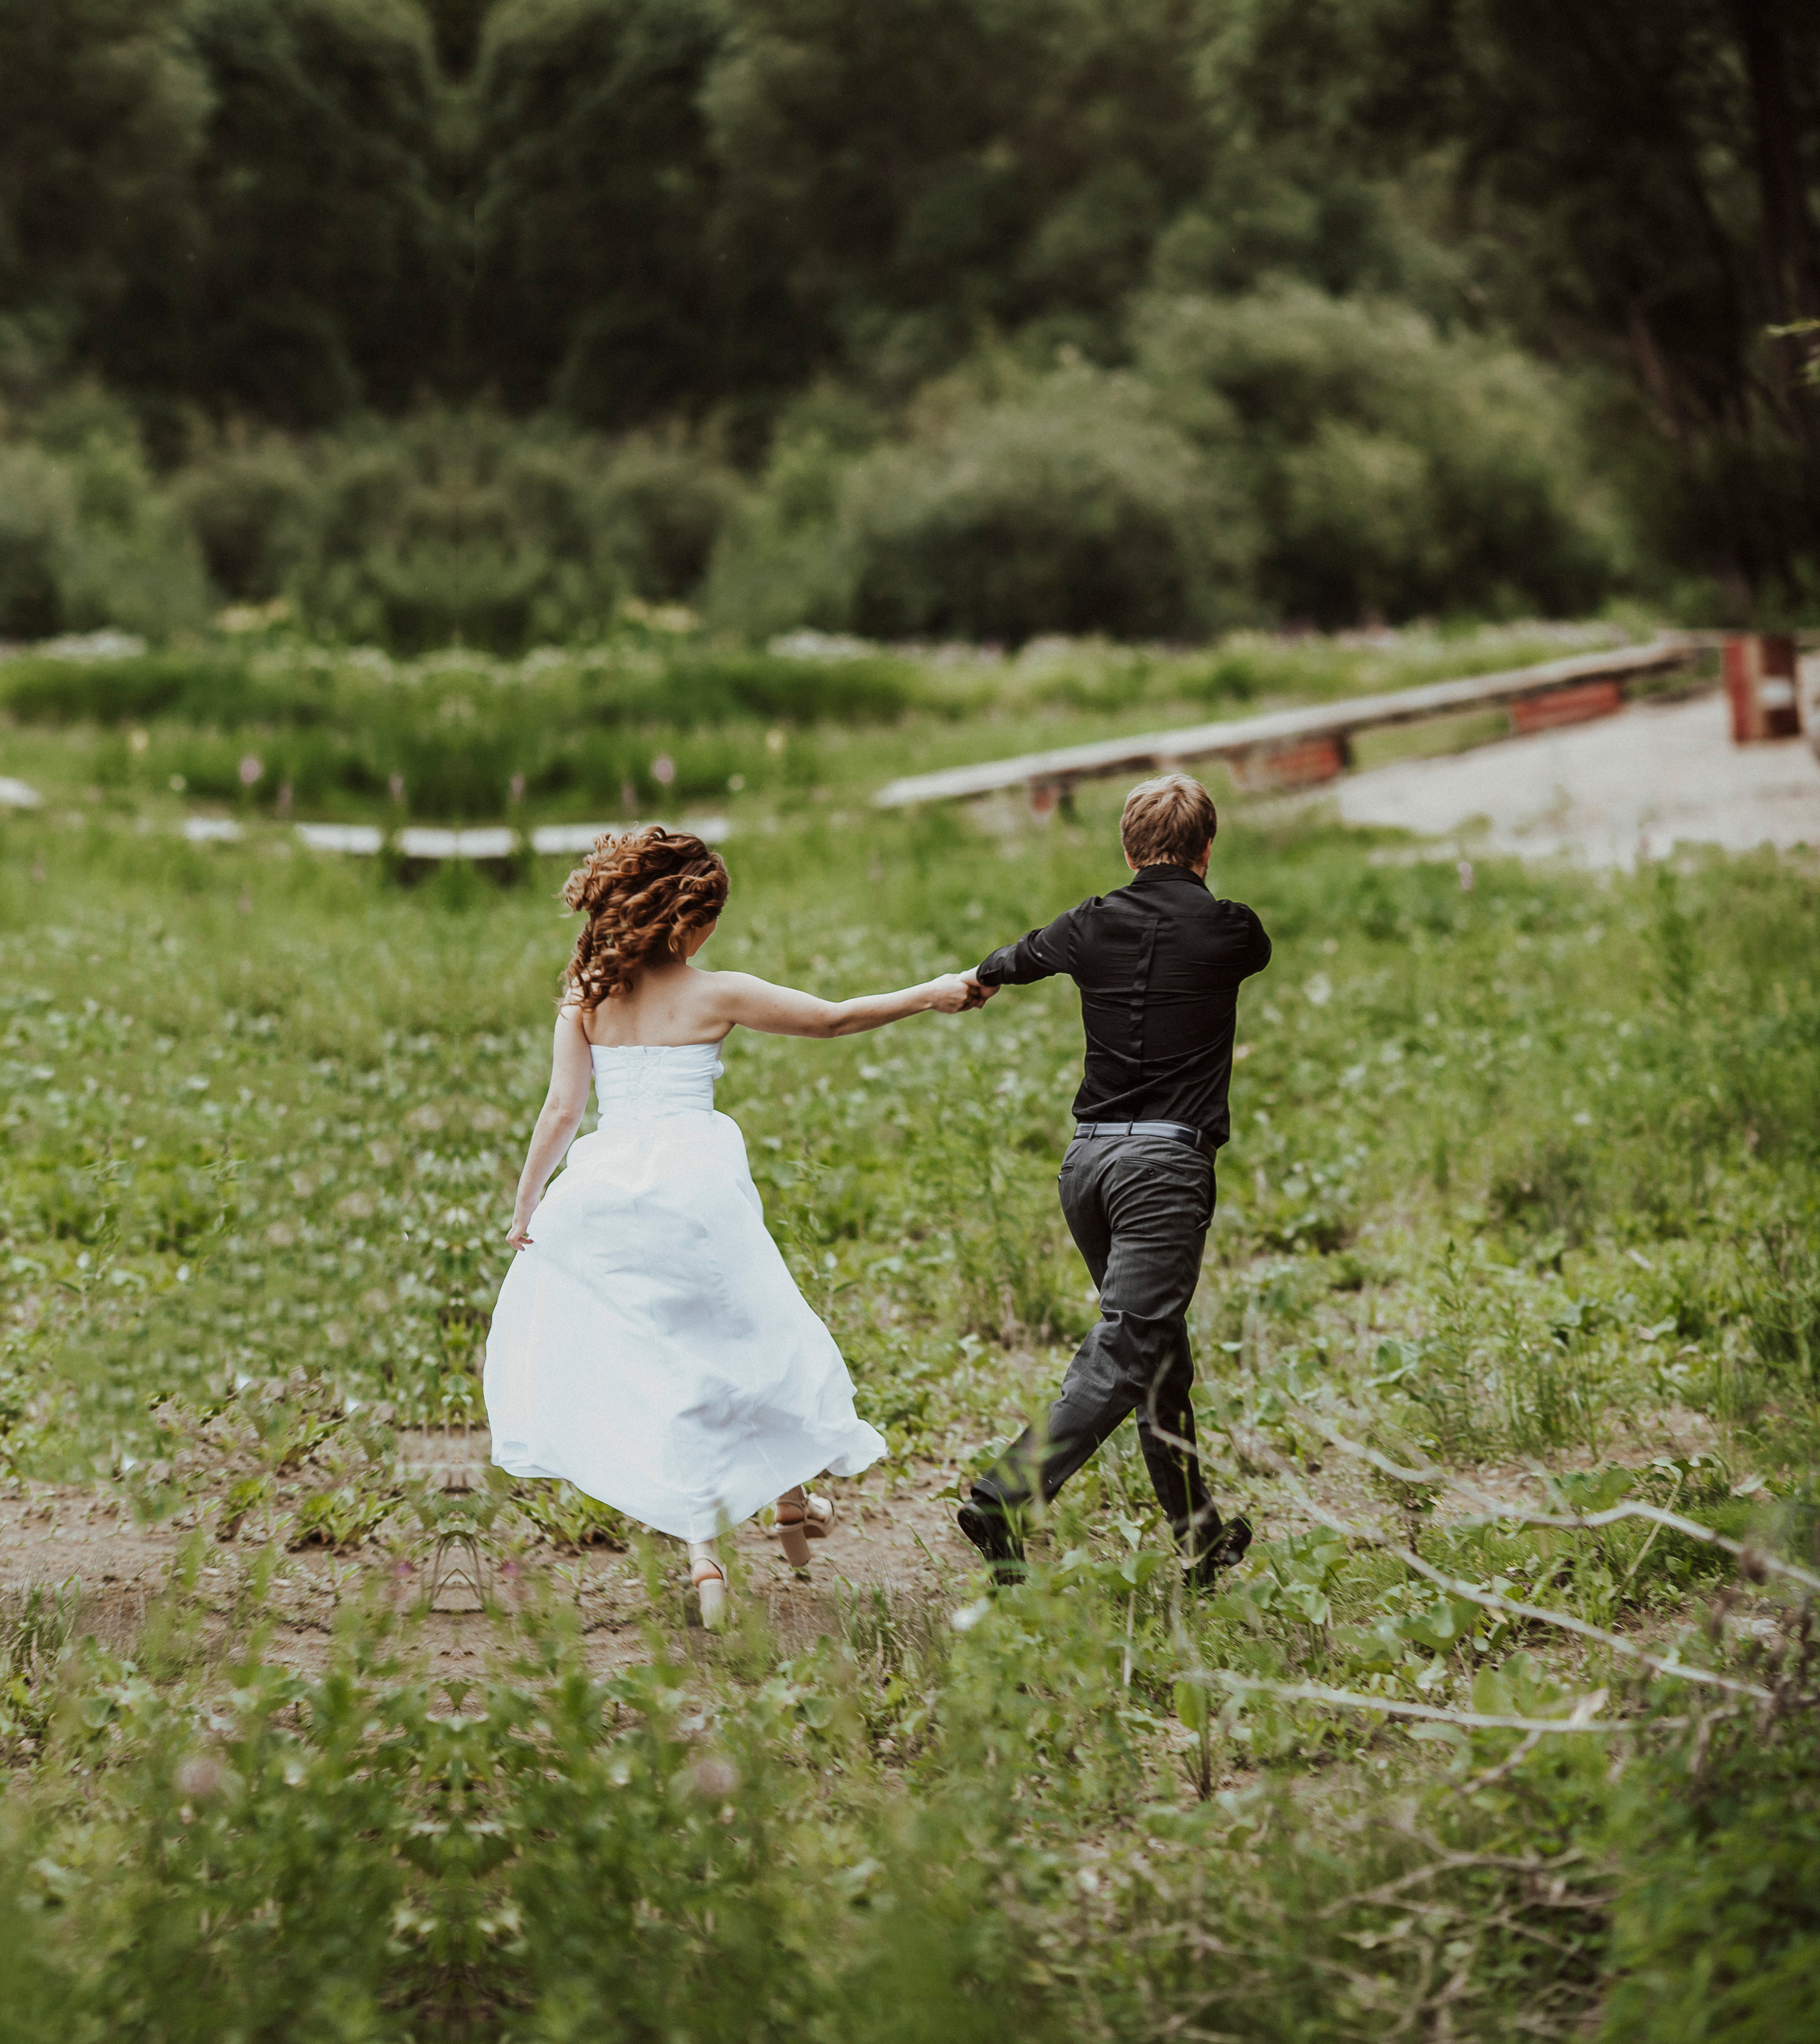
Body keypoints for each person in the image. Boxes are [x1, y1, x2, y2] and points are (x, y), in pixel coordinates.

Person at [485, 825, 983, 1630]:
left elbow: (561, 1111)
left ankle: (716, 1549)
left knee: (669, 1361)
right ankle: (783, 1504)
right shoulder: (715, 993)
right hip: (695, 1185)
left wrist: (527, 1203)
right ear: (687, 921)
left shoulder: (586, 995)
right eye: (711, 920)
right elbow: (831, 1019)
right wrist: (931, 991)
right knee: (750, 1335)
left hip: (606, 1191)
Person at [956, 774, 1271, 1587]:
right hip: (1161, 1172)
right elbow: (1248, 948)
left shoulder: (1088, 923)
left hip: (1088, 1168)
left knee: (1156, 1356)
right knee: (1129, 1346)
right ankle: (1006, 1495)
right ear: (1207, 849)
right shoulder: (1232, 930)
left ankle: (1200, 1538)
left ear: (1127, 851)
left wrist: (985, 975)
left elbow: (1016, 956)